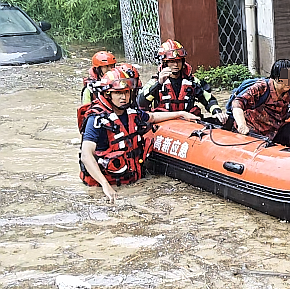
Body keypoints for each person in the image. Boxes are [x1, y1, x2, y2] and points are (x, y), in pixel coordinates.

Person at [79, 66, 198, 202]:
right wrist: (105, 185)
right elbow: (86, 155)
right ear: (107, 94)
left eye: (126, 92)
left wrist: (180, 114)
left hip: (132, 182)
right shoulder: (96, 120)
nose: (123, 97)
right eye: (118, 93)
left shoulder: (132, 113)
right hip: (105, 186)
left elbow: (152, 117)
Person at [137, 39, 228, 124]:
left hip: (188, 123)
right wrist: (158, 84)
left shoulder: (192, 81)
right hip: (165, 123)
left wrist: (217, 112)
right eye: (172, 61)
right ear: (165, 63)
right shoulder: (155, 82)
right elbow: (141, 103)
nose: (176, 65)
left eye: (179, 61)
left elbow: (208, 99)